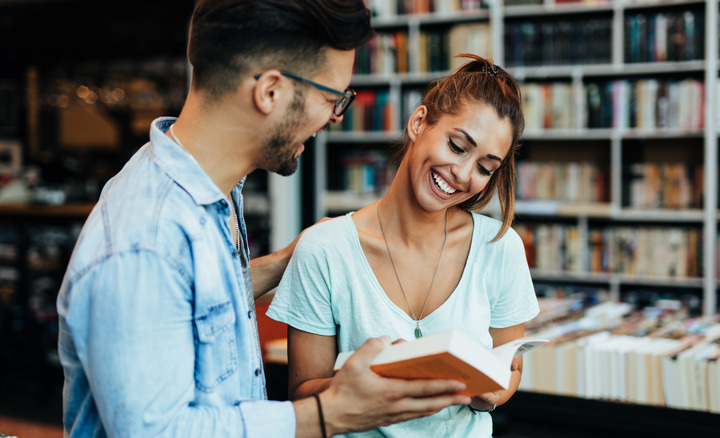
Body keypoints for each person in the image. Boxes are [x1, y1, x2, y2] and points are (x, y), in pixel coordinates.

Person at [56, 1, 472, 437]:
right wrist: (333, 412)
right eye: (333, 98)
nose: (334, 116)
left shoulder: (207, 195)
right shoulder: (146, 240)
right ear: (270, 91)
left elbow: (187, 305)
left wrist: (281, 263)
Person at [266, 54, 540, 437]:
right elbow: (303, 394)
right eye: (458, 146)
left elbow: (509, 370)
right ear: (418, 123)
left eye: (485, 167)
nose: (462, 174)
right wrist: (370, 388)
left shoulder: (500, 246)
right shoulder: (324, 249)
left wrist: (490, 392)